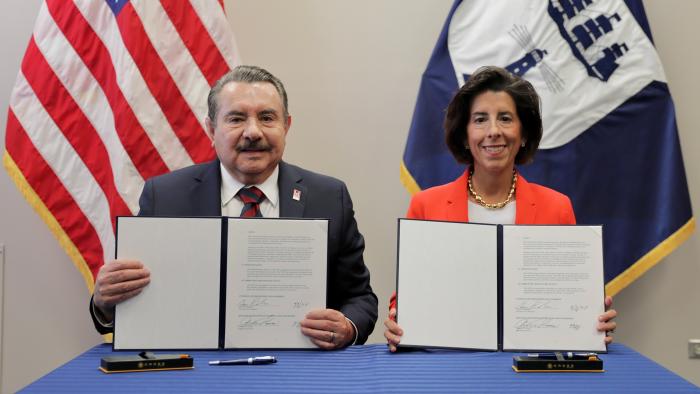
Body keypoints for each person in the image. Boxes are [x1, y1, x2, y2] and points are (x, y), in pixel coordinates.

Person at [90, 65, 378, 349]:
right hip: (193, 369)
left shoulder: (329, 196)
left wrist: (346, 327)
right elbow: (131, 303)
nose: (253, 132)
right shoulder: (165, 197)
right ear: (211, 129)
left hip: (300, 369)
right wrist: (104, 302)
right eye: (237, 119)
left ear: (286, 126)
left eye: (267, 118)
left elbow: (360, 298)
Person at [384, 66, 617, 352]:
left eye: (505, 119)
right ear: (464, 135)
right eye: (480, 120)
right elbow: (408, 296)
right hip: (447, 363)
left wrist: (590, 319)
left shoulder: (557, 207)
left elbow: (568, 298)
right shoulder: (426, 204)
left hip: (528, 365)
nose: (493, 131)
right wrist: (398, 318)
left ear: (524, 134)